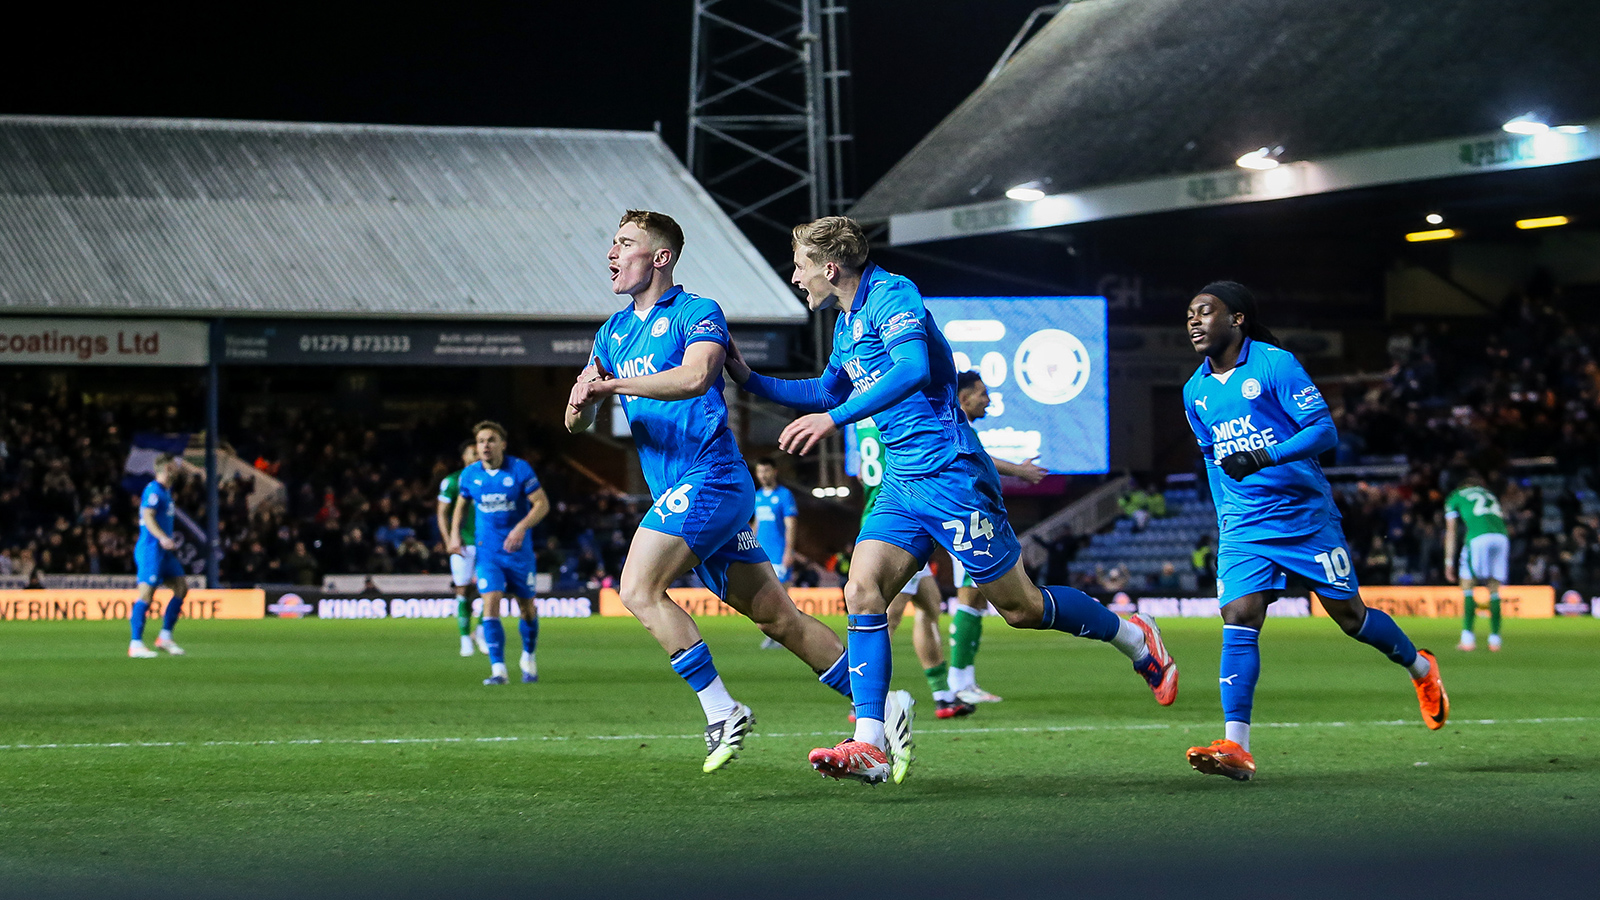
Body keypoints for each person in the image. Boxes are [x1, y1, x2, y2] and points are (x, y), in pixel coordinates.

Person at [726, 215, 1178, 786]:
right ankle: (869, 742)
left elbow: (912, 369)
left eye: (800, 265)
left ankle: (1135, 636)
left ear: (830, 266)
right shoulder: (846, 325)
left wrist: (833, 419)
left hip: (950, 476)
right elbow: (823, 390)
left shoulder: (894, 295)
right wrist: (744, 375)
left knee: (1021, 609)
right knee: (862, 590)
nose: (795, 276)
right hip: (901, 483)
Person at [565, 210, 861, 775]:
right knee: (779, 619)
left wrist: (612, 384)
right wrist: (581, 403)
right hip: (681, 489)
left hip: (712, 479)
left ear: (660, 258)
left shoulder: (698, 313)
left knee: (636, 587)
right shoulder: (611, 331)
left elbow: (697, 378)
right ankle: (880, 707)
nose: (611, 252)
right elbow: (575, 424)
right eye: (611, 242)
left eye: (624, 243)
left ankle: (721, 709)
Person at [1181, 280, 1449, 781]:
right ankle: (1236, 747)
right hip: (1243, 523)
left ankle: (1421, 668)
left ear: (1237, 318)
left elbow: (1325, 431)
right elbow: (1213, 460)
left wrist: (1266, 455)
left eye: (1206, 312)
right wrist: (1224, 516)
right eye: (1190, 314)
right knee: (1238, 616)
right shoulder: (1193, 391)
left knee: (1350, 618)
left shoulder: (1274, 364)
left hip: (1304, 516)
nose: (1194, 321)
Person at [855, 414, 974, 719]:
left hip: (884, 516)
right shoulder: (892, 411)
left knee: (929, 605)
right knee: (887, 617)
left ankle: (943, 695)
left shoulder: (861, 421)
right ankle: (861, 701)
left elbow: (861, 473)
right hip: (896, 521)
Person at [947, 370, 1050, 705]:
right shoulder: (951, 422)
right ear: (964, 398)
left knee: (976, 599)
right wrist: (1019, 470)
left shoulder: (957, 424)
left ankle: (964, 680)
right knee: (968, 597)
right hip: (960, 516)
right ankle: (956, 681)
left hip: (967, 515)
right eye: (982, 393)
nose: (988, 400)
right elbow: (979, 460)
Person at [449, 421, 548, 686]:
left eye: (491, 440)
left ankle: (528, 656)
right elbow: (460, 506)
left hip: (518, 552)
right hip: (488, 552)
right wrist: (454, 535)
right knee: (489, 603)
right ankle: (498, 669)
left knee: (526, 608)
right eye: (481, 441)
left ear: (503, 444)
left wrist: (521, 527)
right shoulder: (470, 475)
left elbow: (541, 504)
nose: (485, 445)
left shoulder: (519, 469)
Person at [128, 454, 189, 658]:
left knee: (181, 588)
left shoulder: (166, 491)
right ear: (167, 468)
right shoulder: (153, 490)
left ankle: (165, 637)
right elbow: (147, 516)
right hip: (151, 550)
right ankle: (135, 644)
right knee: (146, 594)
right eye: (175, 465)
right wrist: (162, 537)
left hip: (165, 552)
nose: (178, 468)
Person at [1443, 473, 1510, 652]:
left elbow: (1451, 532)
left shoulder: (1456, 496)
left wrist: (1449, 562)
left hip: (1478, 538)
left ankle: (1467, 639)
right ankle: (1495, 640)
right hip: (1501, 537)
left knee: (1468, 584)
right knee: (1494, 588)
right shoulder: (1489, 495)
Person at [438, 441, 487, 657]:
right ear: (464, 457)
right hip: (463, 544)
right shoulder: (452, 481)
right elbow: (441, 513)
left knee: (490, 590)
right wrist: (449, 539)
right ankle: (465, 638)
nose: (477, 455)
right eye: (473, 452)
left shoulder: (491, 478)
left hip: (487, 543)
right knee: (463, 591)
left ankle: (481, 632)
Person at [751, 458, 799, 584]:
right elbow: (757, 523)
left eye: (766, 471)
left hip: (779, 553)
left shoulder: (784, 495)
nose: (763, 475)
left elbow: (791, 526)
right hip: (761, 553)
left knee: (781, 594)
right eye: (760, 471)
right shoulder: (758, 496)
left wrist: (789, 551)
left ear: (775, 472)